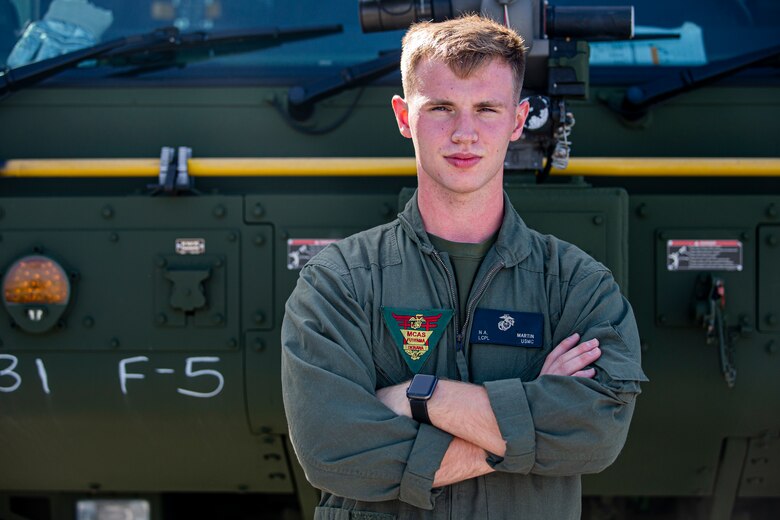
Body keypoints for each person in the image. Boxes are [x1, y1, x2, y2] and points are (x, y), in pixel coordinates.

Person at [282, 14, 647, 519]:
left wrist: (421, 396)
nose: (464, 133)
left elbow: (594, 434)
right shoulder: (338, 285)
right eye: (441, 108)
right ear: (403, 116)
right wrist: (529, 426)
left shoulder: (577, 287)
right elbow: (336, 453)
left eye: (486, 109)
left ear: (518, 120)